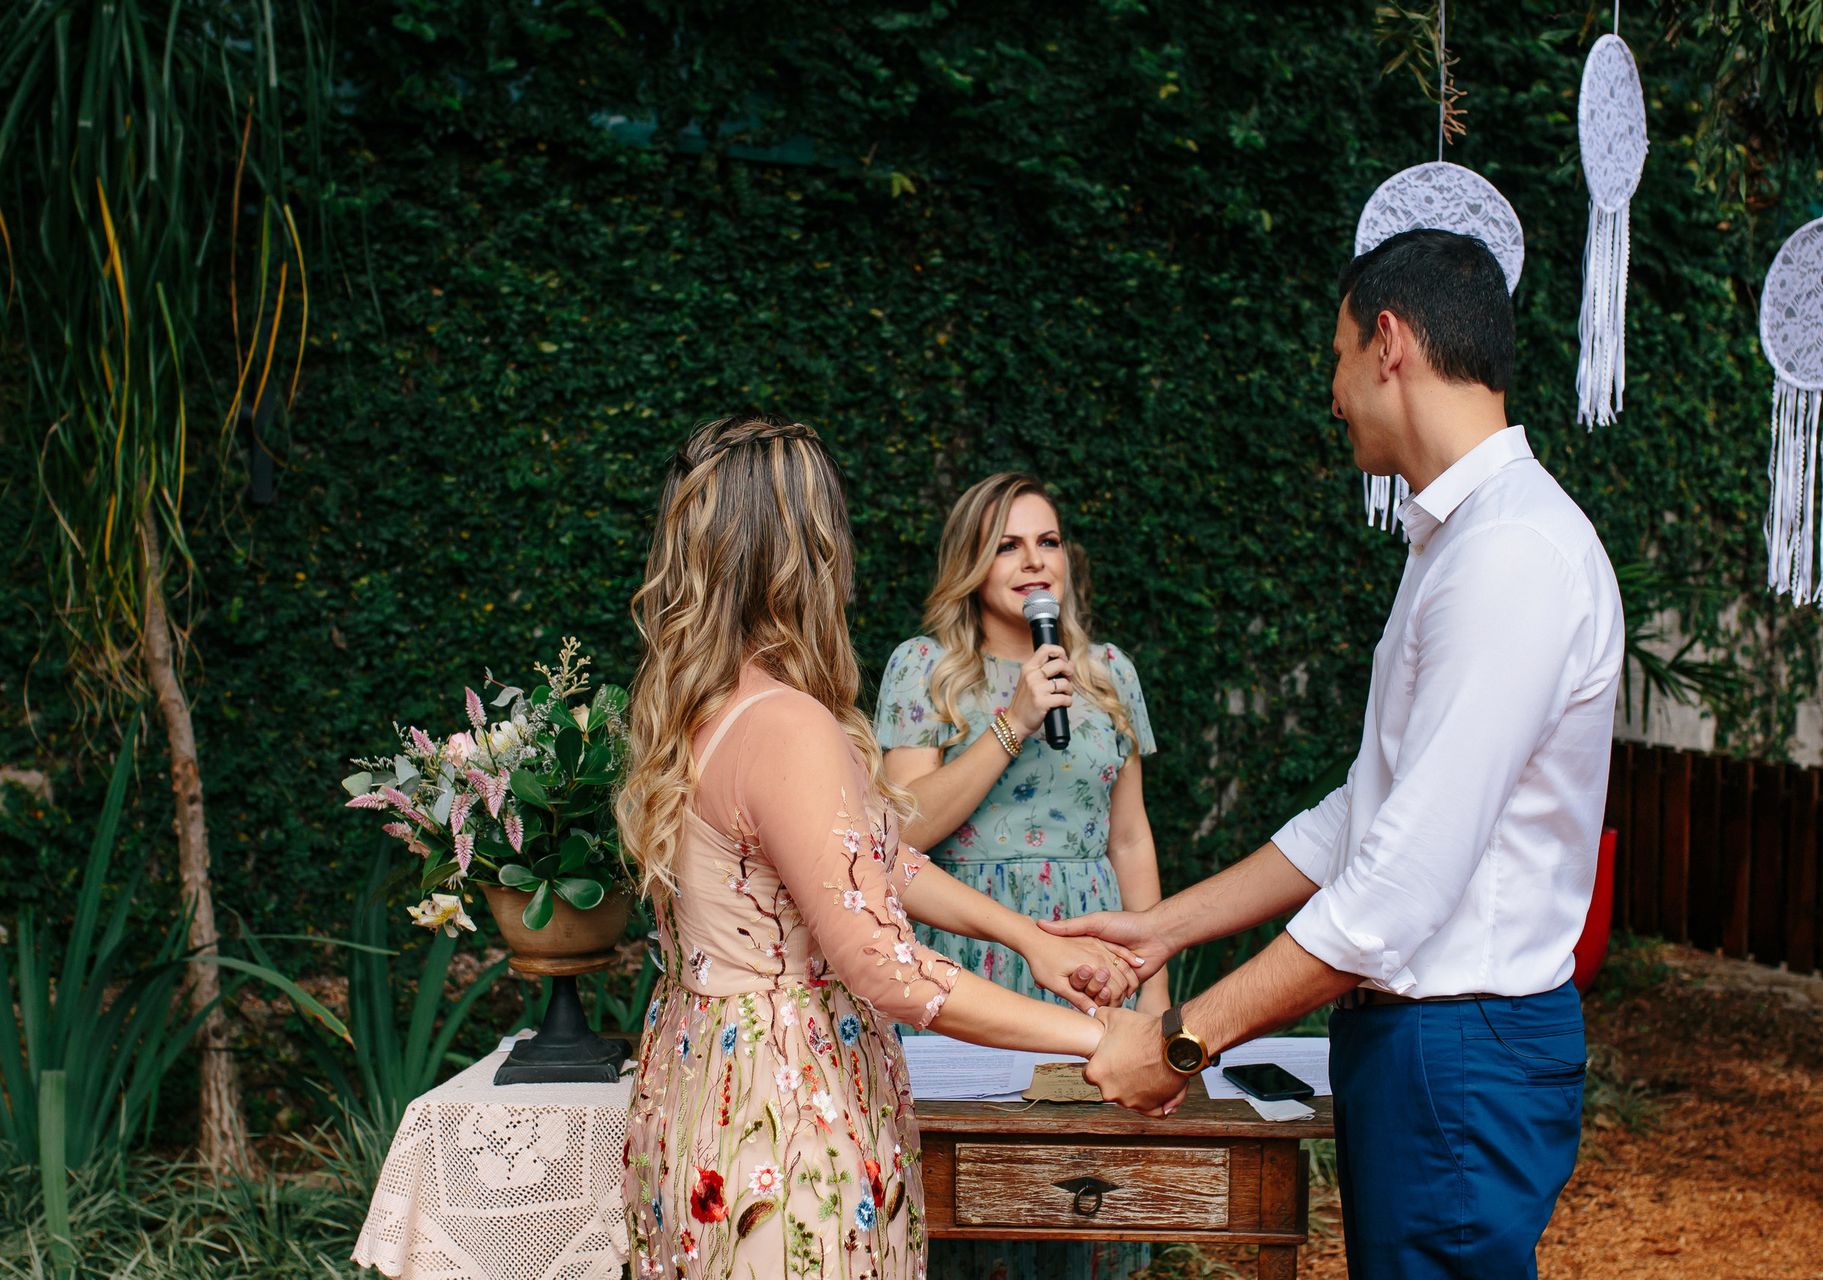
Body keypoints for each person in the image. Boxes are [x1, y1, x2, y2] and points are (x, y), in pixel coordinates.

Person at [1047, 229, 1626, 1279]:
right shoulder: (1456, 540)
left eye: (1337, 353)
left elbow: (1399, 881)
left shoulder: (1511, 556)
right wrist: (1160, 928)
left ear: (1389, 343)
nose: (1333, 388)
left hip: (1461, 1047)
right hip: (1425, 1047)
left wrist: (1182, 1036)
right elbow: (1365, 812)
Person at [616, 414, 1138, 1280]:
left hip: (706, 1087)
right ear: (807, 552)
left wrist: (1032, 940)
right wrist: (1097, 1041)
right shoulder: (788, 725)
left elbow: (875, 860)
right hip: (789, 1122)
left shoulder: (712, 706)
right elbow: (886, 964)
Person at [876, 472, 1166, 1280]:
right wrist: (1014, 721)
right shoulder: (925, 668)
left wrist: (1157, 988)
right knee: (968, 1199)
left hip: (1090, 956)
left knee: (1080, 1199)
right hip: (964, 949)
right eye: (1007, 544)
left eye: (1046, 541)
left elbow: (1132, 840)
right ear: (971, 561)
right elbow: (900, 832)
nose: (1033, 561)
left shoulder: (1109, 671)